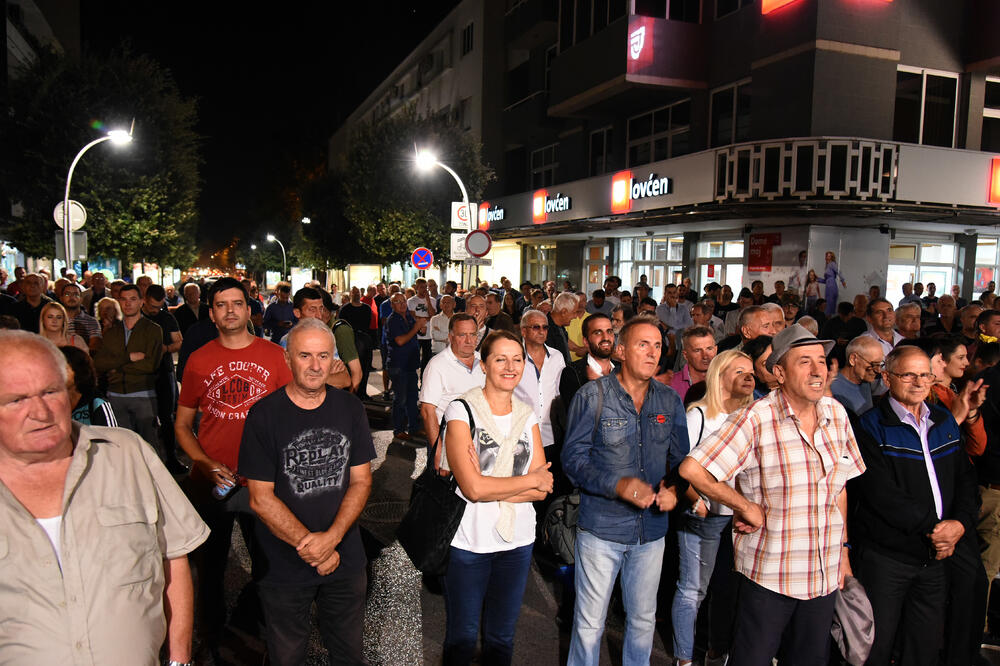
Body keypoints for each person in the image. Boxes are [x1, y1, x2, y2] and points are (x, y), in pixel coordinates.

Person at [0, 330, 208, 663]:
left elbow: (174, 558)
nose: (40, 412)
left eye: (50, 391)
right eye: (16, 399)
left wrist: (179, 659)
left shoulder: (127, 453)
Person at [680, 323, 864, 663]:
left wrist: (844, 553)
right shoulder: (755, 419)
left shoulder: (836, 414)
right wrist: (743, 505)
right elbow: (693, 469)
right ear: (778, 371)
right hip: (772, 576)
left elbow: (840, 489)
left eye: (821, 361)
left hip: (823, 572)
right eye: (804, 361)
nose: (816, 370)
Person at [239, 319, 375, 665]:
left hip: (345, 559)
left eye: (323, 356)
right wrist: (314, 548)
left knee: (349, 653)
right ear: (287, 359)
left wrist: (332, 539)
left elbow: (361, 481)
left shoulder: (350, 408)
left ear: (334, 361)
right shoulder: (263, 416)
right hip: (282, 565)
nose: (315, 366)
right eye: (305, 356)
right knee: (287, 656)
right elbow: (260, 498)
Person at [562, 315, 689, 665]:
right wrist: (617, 485)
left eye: (658, 346)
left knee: (643, 620)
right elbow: (572, 461)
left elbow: (682, 462)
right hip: (602, 529)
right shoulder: (592, 396)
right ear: (620, 350)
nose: (652, 353)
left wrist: (675, 490)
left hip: (651, 533)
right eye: (642, 344)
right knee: (590, 625)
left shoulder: (669, 401)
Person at [175, 277, 293, 649]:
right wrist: (204, 463)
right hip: (213, 482)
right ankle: (210, 639)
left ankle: (260, 631)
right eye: (222, 304)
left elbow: (291, 417)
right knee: (209, 569)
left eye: (237, 303)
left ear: (249, 308)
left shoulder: (275, 356)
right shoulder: (198, 359)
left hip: (263, 482)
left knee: (269, 565)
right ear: (212, 313)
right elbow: (181, 425)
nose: (230, 310)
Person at [850, 344, 979, 665]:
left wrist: (959, 524)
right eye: (908, 375)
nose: (919, 382)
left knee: (922, 648)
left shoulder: (944, 419)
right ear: (886, 377)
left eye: (925, 375)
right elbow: (880, 495)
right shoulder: (869, 426)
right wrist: (935, 529)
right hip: (888, 559)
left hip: (935, 558)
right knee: (875, 648)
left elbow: (965, 479)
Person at [440, 330, 553, 664]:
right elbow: (473, 490)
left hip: (517, 543)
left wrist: (492, 485)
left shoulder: (526, 414)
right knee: (461, 638)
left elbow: (543, 487)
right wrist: (525, 482)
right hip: (470, 544)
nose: (510, 366)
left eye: (517, 359)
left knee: (502, 639)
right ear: (484, 365)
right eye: (500, 359)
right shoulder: (461, 412)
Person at [671, 350, 756, 666]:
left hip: (737, 520)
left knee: (728, 592)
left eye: (751, 371)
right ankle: (683, 659)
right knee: (693, 590)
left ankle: (716, 653)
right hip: (704, 518)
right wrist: (697, 502)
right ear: (720, 376)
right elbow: (680, 464)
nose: (749, 377)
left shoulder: (750, 416)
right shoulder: (699, 415)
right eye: (739, 371)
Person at [93, 284, 163, 449]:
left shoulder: (153, 330)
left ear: (141, 302)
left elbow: (150, 365)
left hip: (143, 395)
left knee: (149, 447)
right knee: (123, 448)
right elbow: (99, 363)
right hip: (116, 395)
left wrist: (117, 366)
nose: (128, 303)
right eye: (123, 299)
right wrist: (129, 358)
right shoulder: (112, 332)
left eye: (132, 299)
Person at [419, 313, 486, 467]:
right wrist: (438, 452)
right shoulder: (437, 365)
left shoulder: (483, 361)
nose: (469, 340)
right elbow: (427, 411)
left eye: (473, 334)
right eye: (462, 335)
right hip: (449, 443)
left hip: (480, 442)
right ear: (450, 336)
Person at [141, 284, 186, 473]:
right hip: (142, 375)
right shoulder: (138, 318)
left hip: (164, 371)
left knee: (167, 417)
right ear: (145, 299)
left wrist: (166, 349)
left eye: (159, 307)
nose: (155, 310)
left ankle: (171, 458)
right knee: (145, 419)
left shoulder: (166, 317)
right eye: (152, 307)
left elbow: (179, 341)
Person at [515, 309, 566, 450]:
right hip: (520, 436)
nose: (542, 331)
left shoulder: (557, 357)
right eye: (536, 327)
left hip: (551, 436)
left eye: (545, 327)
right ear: (523, 331)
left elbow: (559, 393)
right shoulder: (513, 357)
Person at [385, 292, 426, 439]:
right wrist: (416, 328)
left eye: (403, 301)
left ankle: (414, 427)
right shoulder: (392, 320)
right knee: (400, 399)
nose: (402, 304)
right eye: (398, 302)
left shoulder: (408, 316)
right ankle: (399, 429)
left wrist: (421, 328)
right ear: (392, 305)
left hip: (410, 364)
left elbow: (418, 333)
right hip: (399, 365)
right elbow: (400, 341)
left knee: (412, 397)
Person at [60, 345, 118, 427]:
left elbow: (111, 436)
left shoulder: (97, 403)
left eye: (63, 369)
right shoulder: (52, 402)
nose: (57, 374)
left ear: (78, 370)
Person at [830, 335, 883, 416]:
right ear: (853, 359)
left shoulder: (865, 381)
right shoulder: (831, 387)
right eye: (873, 364)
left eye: (880, 364)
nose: (878, 370)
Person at [670, 326, 718, 402]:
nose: (705, 356)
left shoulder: (726, 381)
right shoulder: (671, 385)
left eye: (709, 349)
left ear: (716, 350)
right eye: (697, 350)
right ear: (685, 355)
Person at [60, 282, 102, 352]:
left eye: (76, 294)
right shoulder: (56, 319)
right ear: (61, 298)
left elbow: (95, 344)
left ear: (81, 299)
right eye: (67, 294)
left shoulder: (91, 321)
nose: (71, 297)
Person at [407, 277, 437, 371]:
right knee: (414, 358)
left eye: (425, 287)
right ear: (417, 287)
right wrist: (426, 319)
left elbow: (432, 315)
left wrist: (427, 300)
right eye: (421, 287)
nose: (424, 289)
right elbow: (413, 316)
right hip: (416, 334)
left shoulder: (432, 300)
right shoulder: (411, 301)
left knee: (427, 359)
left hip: (428, 334)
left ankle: (424, 378)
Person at [546, 292, 577, 365]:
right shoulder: (545, 331)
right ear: (564, 312)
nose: (575, 316)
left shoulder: (560, 326)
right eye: (574, 312)